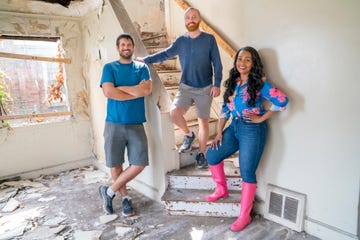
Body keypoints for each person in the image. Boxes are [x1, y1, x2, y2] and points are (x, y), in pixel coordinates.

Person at [205, 46, 288, 231]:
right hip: (234, 126)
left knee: (247, 172)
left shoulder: (259, 82)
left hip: (253, 129)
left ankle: (244, 216)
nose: (242, 63)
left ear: (254, 63)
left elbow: (282, 100)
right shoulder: (233, 82)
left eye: (247, 60)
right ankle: (221, 189)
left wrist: (261, 117)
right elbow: (225, 109)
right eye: (240, 59)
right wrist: (219, 131)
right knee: (212, 155)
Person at [136, 7, 223, 169]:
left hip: (205, 88)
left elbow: (217, 63)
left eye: (194, 17)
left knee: (203, 122)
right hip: (185, 87)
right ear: (185, 21)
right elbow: (164, 54)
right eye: (188, 17)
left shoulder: (209, 39)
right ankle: (189, 135)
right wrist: (145, 60)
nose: (191, 19)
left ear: (199, 20)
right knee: (174, 113)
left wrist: (217, 84)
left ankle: (202, 153)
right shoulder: (181, 41)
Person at [98, 33, 152, 217]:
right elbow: (108, 92)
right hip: (114, 122)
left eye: (129, 44)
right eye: (122, 44)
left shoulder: (142, 67)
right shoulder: (109, 67)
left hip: (136, 122)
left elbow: (146, 90)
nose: (126, 47)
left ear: (133, 47)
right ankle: (125, 198)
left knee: (139, 162)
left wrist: (120, 88)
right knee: (116, 163)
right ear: (118, 47)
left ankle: (109, 191)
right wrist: (133, 92)